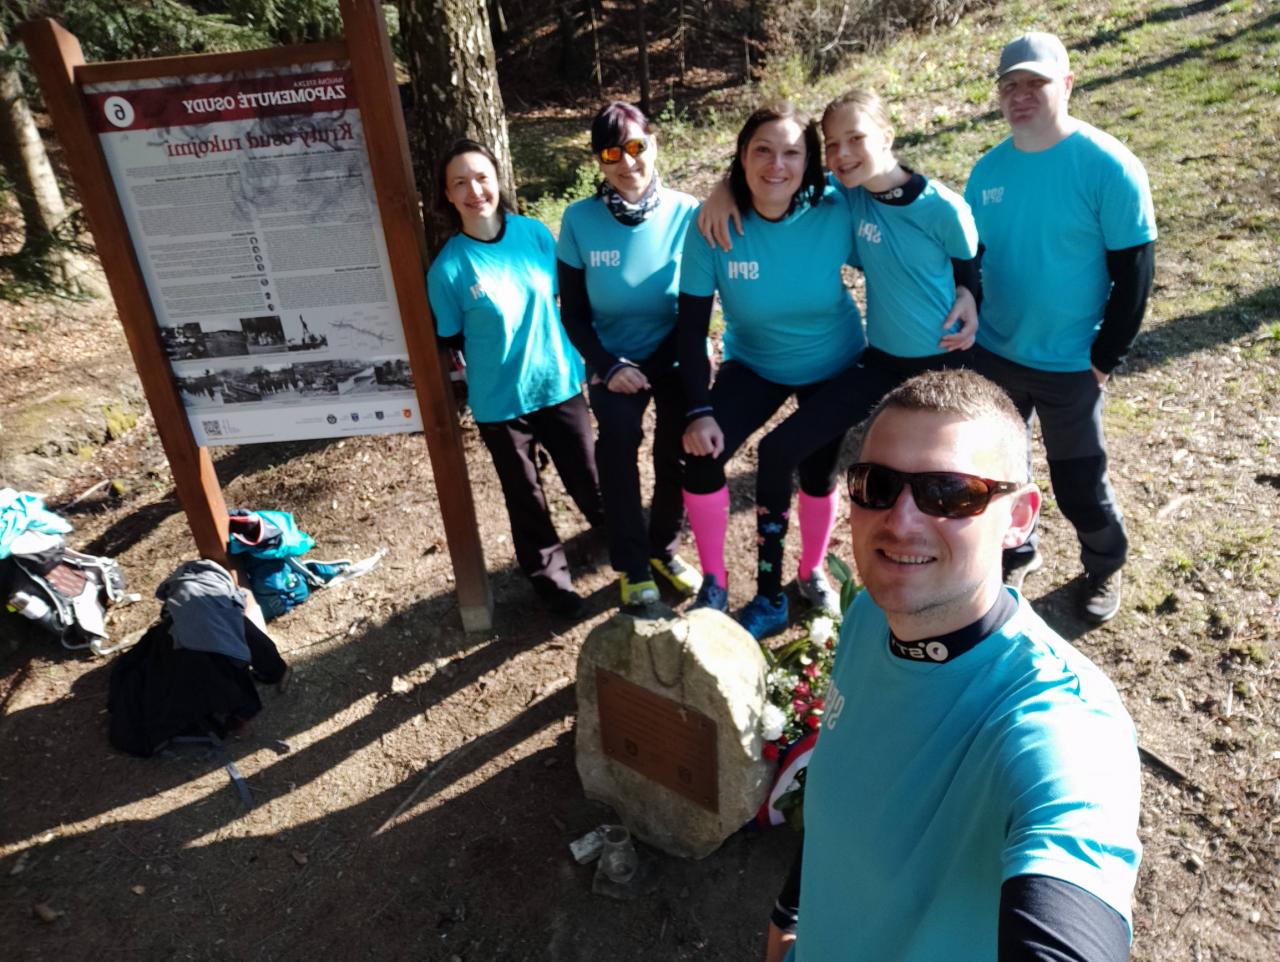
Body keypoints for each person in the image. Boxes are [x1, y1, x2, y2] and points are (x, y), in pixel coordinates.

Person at [767, 368, 1142, 962]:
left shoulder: (1060, 721)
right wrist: (789, 914)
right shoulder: (870, 616)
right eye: (876, 485)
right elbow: (844, 793)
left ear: (1018, 518)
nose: (900, 521)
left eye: (949, 493)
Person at [697, 89, 982, 629]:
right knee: (778, 451)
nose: (843, 153)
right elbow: (778, 177)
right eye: (833, 144)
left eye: (857, 139)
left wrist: (972, 296)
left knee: (937, 485)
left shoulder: (943, 206)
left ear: (887, 136)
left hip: (942, 370)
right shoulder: (849, 198)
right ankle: (771, 598)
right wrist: (723, 188)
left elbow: (970, 265)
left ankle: (958, 592)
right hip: (877, 364)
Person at [965, 32, 1157, 623]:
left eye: (1036, 83)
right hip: (994, 354)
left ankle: (1104, 564)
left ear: (1067, 85)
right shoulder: (987, 171)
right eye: (1010, 85)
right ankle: (1016, 550)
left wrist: (1104, 359)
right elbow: (972, 261)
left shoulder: (1109, 167)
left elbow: (1135, 274)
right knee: (998, 473)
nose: (1020, 95)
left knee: (1079, 481)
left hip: (1071, 363)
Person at [678, 101, 865, 637]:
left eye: (791, 153)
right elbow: (690, 329)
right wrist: (697, 410)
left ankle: (811, 574)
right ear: (741, 156)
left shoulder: (837, 209)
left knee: (816, 472)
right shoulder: (713, 225)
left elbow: (895, 218)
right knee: (700, 455)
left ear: (810, 162)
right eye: (762, 150)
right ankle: (713, 584)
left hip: (832, 364)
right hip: (754, 363)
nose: (776, 165)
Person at [427, 139, 604, 616]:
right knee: (526, 497)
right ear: (447, 194)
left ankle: (627, 548)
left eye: (481, 178)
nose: (474, 191)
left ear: (497, 179)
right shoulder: (448, 268)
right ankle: (553, 586)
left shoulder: (535, 234)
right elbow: (451, 337)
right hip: (500, 403)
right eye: (460, 183)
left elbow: (567, 297)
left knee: (590, 477)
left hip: (558, 383)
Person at [557, 102, 702, 608]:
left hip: (676, 350)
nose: (627, 162)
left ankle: (663, 549)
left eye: (637, 146)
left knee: (677, 452)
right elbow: (574, 314)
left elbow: (700, 301)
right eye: (611, 153)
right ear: (599, 160)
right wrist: (609, 365)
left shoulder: (688, 212)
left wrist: (669, 360)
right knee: (618, 447)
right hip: (611, 358)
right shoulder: (579, 220)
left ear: (653, 144)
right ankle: (633, 564)